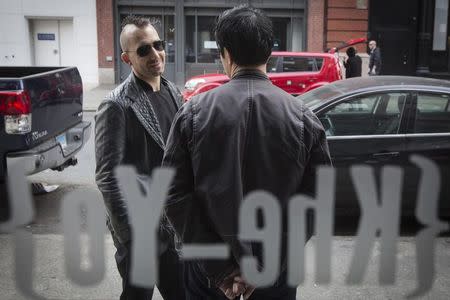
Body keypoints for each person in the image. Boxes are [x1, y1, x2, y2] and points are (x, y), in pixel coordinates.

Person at [162, 5, 332, 300]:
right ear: (269, 52)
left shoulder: (192, 113)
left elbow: (174, 195)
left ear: (225, 54)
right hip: (274, 275)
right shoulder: (305, 119)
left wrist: (221, 270)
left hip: (207, 274)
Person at [95, 15, 184, 300]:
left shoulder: (173, 92)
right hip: (141, 229)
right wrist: (130, 238)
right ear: (126, 58)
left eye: (158, 45)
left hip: (173, 225)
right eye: (143, 49)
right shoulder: (116, 105)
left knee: (181, 294)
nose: (155, 54)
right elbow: (108, 177)